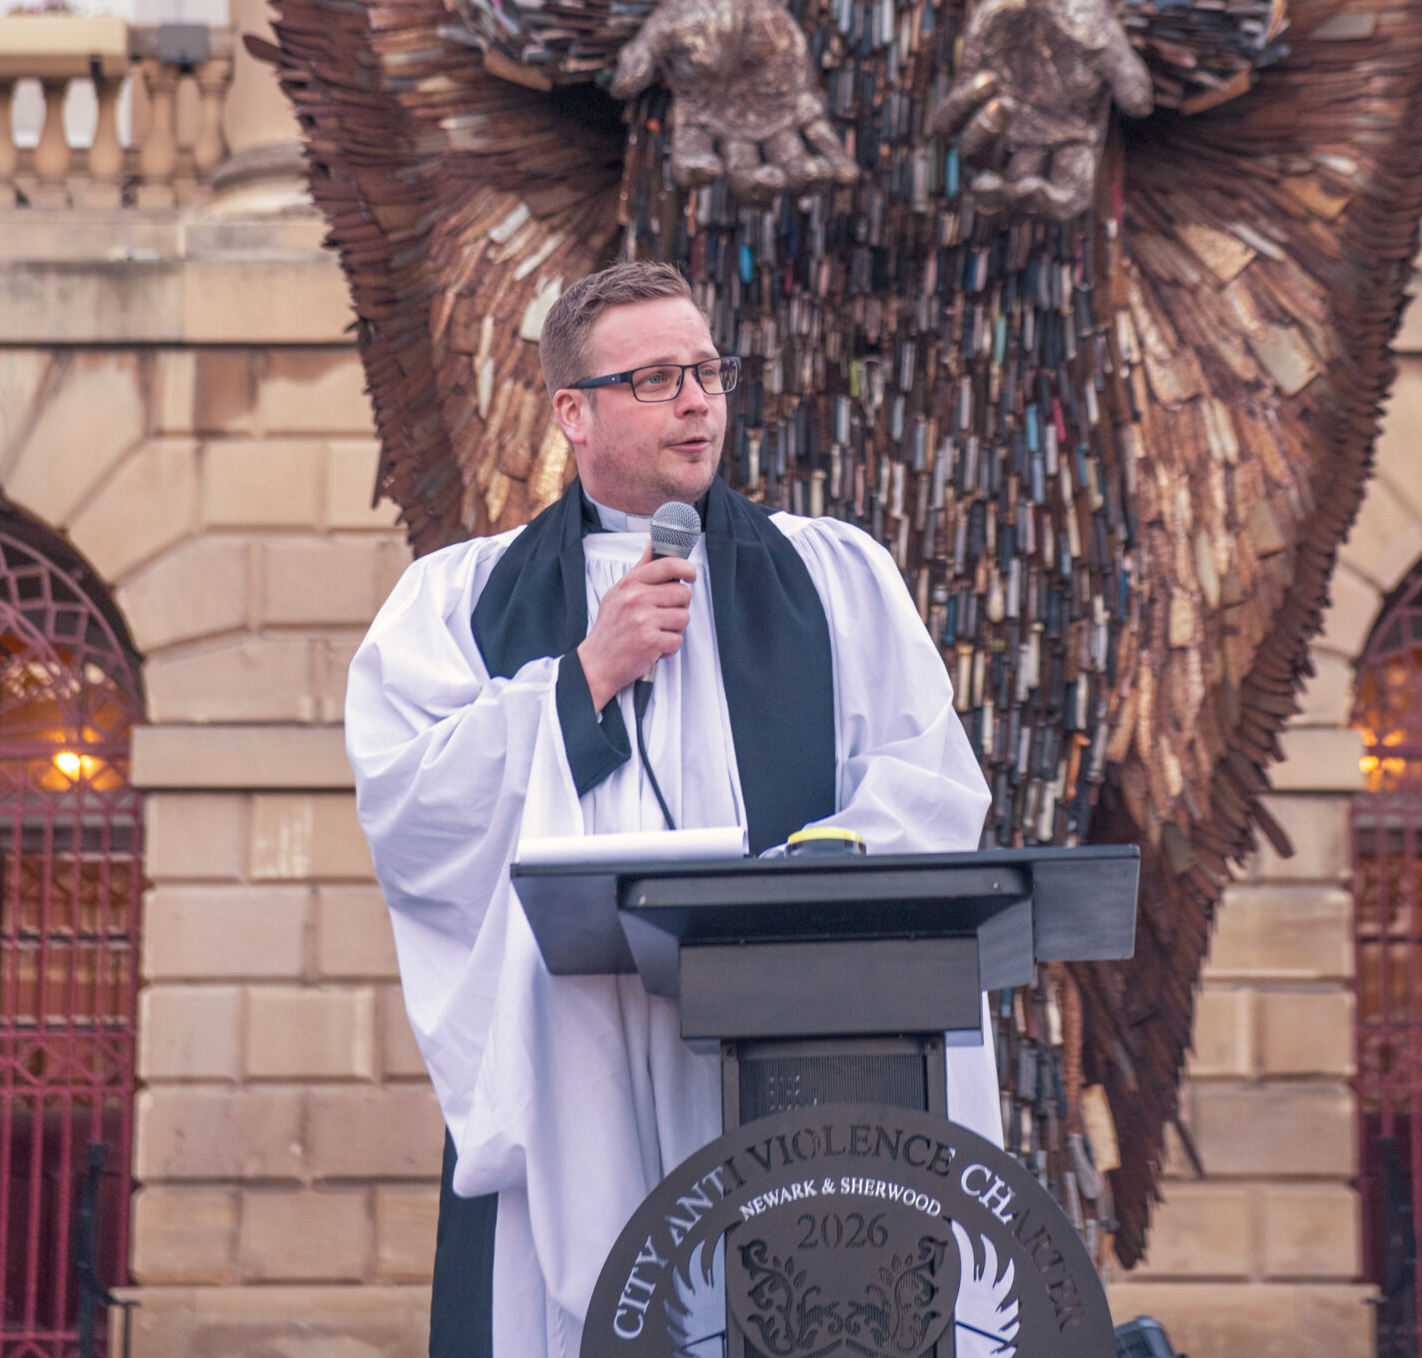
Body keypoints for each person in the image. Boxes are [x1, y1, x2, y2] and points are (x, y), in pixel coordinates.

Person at [346, 257, 1001, 1358]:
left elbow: (929, 780)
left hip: (791, 1051)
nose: (698, 400)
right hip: (583, 1053)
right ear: (574, 412)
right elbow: (412, 805)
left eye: (707, 370)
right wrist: (578, 678)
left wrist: (817, 862)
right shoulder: (459, 598)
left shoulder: (835, 578)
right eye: (656, 377)